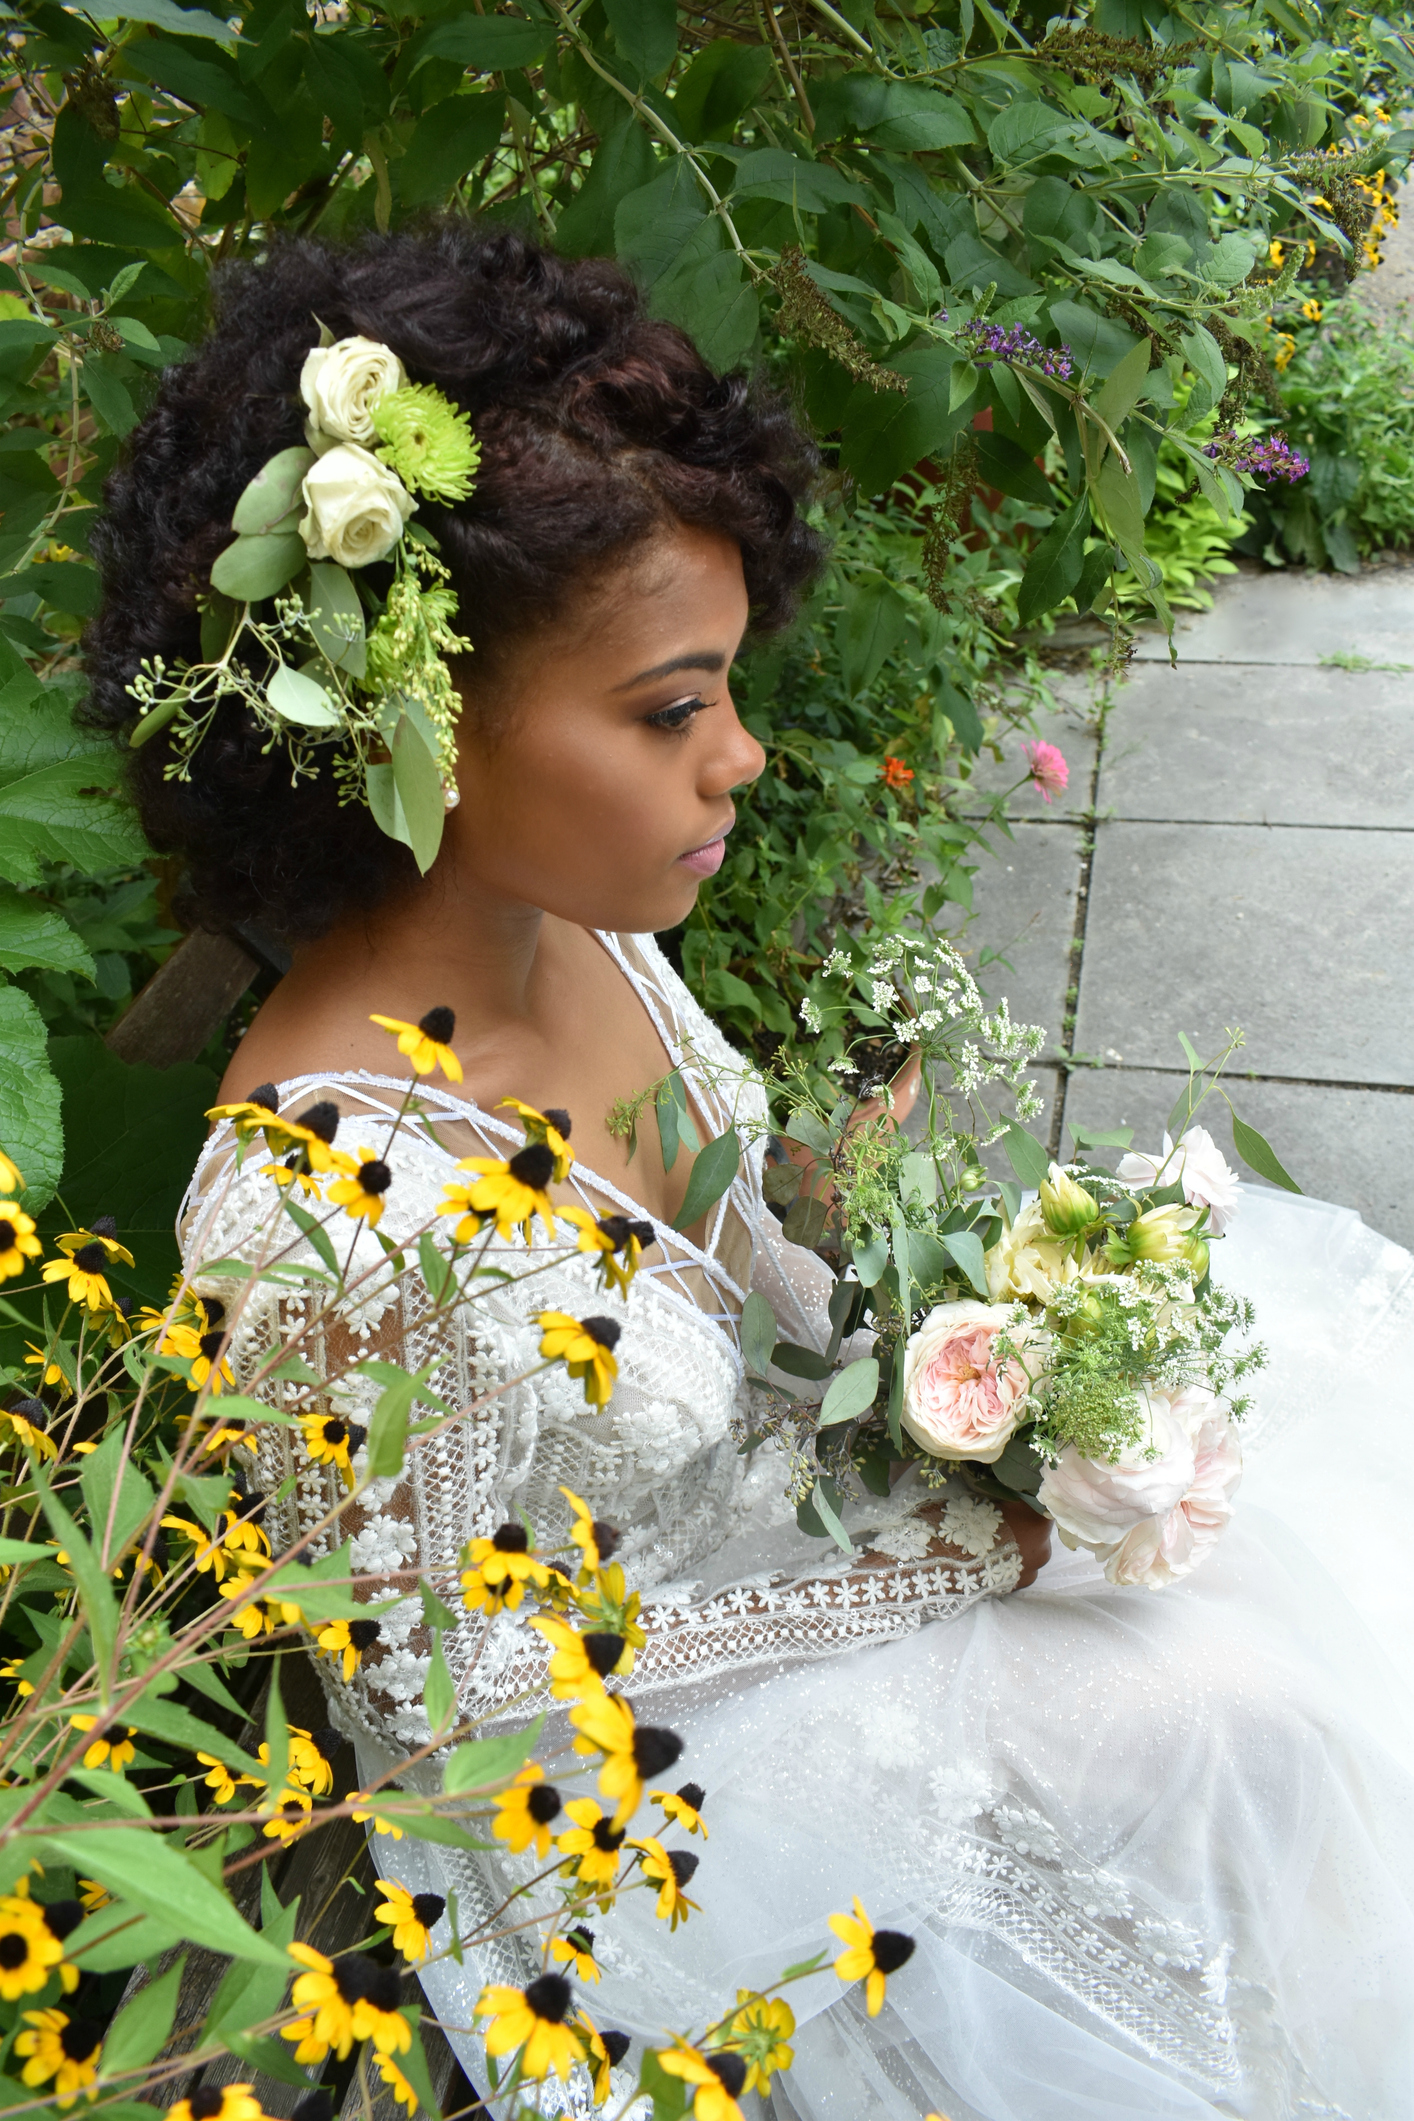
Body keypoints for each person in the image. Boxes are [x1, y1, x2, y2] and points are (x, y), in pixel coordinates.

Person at [85, 223, 1414, 2121]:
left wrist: (991, 1387)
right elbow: (444, 1725)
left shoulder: (585, 937)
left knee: (1272, 1576)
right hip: (620, 1804)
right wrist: (934, 1562)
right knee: (1215, 1720)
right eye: (667, 708)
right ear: (413, 722)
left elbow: (760, 1287)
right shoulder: (319, 1215)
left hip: (803, 1543)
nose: (744, 756)